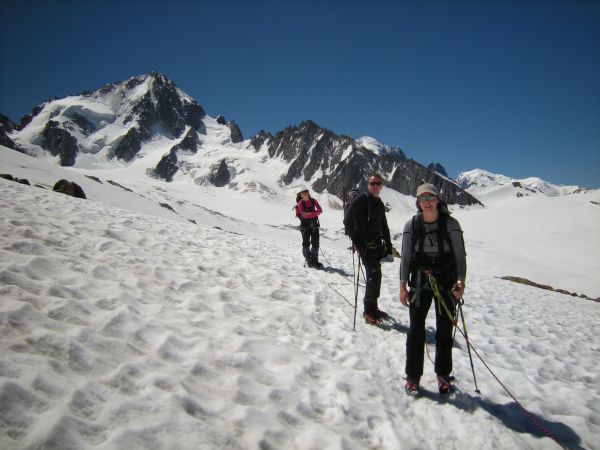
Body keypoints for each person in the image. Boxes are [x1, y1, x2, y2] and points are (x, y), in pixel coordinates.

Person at [399, 183, 466, 395]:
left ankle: (443, 374)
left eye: (430, 197)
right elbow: (406, 258)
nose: (427, 202)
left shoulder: (451, 224)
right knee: (416, 330)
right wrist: (402, 286)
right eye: (422, 198)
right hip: (420, 281)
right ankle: (413, 376)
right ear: (418, 203)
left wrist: (461, 282)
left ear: (437, 200)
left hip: (446, 281)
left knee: (445, 329)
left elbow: (459, 257)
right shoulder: (412, 226)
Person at [343, 173, 394, 325]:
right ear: (368, 185)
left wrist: (389, 244)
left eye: (378, 183)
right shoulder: (362, 199)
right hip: (364, 245)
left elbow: (384, 225)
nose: (376, 186)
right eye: (373, 184)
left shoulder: (378, 202)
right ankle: (368, 311)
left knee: (376, 276)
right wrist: (357, 241)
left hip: (376, 244)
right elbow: (347, 220)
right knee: (372, 276)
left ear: (382, 185)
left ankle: (373, 307)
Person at [296, 187, 323, 268]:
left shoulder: (313, 201)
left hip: (313, 226)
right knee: (306, 244)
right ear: (300, 194)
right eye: (302, 192)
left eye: (305, 192)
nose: (304, 194)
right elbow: (303, 214)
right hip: (306, 226)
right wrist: (314, 213)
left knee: (315, 243)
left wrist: (309, 213)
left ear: (308, 192)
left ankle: (315, 261)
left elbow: (320, 210)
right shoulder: (300, 203)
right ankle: (310, 260)